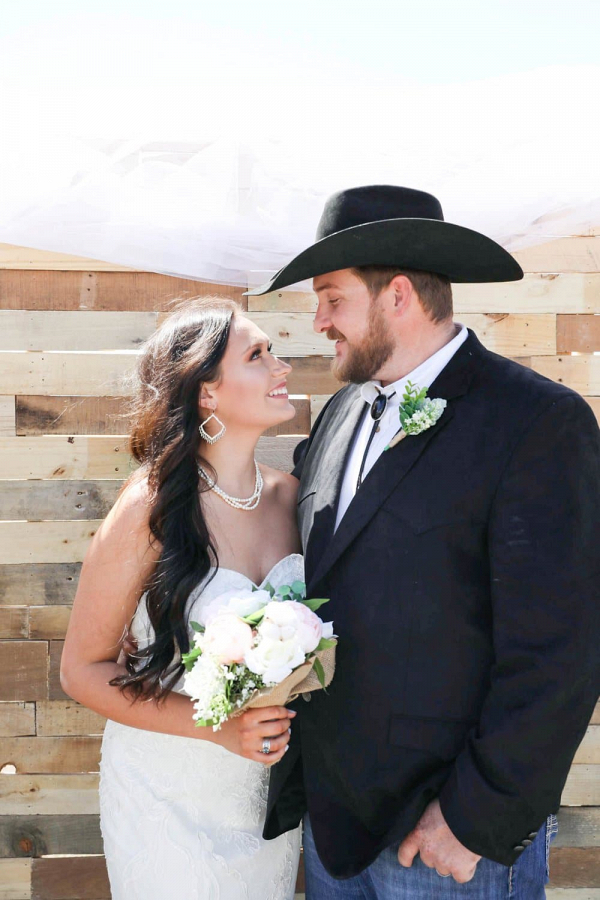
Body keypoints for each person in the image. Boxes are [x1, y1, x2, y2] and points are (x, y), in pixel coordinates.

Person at [247, 185, 600, 899]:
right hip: (334, 833)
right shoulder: (340, 415)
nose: (318, 322)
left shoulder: (537, 424)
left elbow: (561, 650)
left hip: (448, 846)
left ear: (398, 295)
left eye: (332, 299)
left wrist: (473, 821)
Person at [60, 296, 303, 900]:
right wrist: (216, 728)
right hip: (166, 799)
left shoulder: (293, 499)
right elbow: (81, 671)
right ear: (207, 393)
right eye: (257, 355)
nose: (282, 367)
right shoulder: (151, 506)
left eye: (273, 351)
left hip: (264, 801)